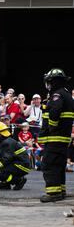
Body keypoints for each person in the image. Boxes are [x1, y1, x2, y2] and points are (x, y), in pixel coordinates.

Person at [39, 68, 74, 202]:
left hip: (54, 138)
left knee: (49, 164)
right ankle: (60, 190)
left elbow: (55, 110)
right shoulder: (67, 95)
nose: (48, 85)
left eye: (49, 82)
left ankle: (53, 194)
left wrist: (52, 125)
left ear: (53, 82)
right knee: (59, 165)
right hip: (62, 139)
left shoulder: (57, 95)